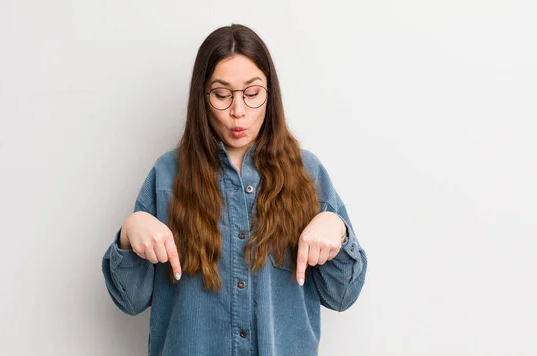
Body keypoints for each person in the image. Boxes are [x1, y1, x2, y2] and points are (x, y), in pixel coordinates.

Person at [102, 23, 368, 356]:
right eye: (222, 95)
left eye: (252, 93)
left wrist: (337, 229)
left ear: (270, 95)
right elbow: (130, 299)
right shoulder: (167, 175)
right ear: (203, 97)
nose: (237, 111)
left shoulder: (307, 174)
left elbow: (342, 296)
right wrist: (130, 233)